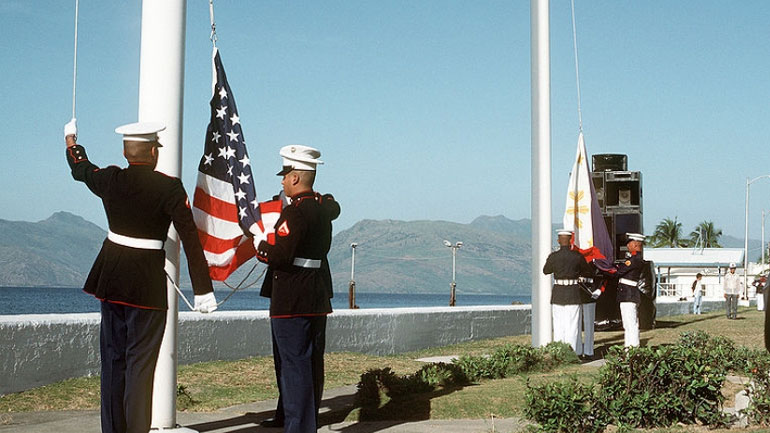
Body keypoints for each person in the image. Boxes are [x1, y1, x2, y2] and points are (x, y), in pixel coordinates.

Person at [64, 119, 217, 433]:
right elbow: (189, 237)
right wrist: (203, 290)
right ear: (152, 151)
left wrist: (71, 143)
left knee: (113, 364)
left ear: (125, 151)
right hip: (146, 286)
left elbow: (81, 168)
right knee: (140, 370)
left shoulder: (109, 179)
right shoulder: (169, 187)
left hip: (112, 280)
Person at [256, 145, 340, 433]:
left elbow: (280, 255)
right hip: (315, 295)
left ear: (294, 178)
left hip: (291, 299)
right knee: (311, 365)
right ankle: (305, 423)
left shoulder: (295, 213)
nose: (281, 181)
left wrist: (261, 247)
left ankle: (298, 427)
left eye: (284, 175)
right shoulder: (322, 210)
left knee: (293, 368)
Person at [543, 229, 593, 353]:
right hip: (573, 293)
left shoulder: (553, 256)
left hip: (558, 293)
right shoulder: (577, 256)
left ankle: (559, 353)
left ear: (559, 241)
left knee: (559, 326)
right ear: (571, 240)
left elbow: (546, 270)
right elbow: (587, 271)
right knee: (572, 326)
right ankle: (571, 353)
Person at [615, 233, 645, 347]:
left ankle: (633, 347)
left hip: (629, 294)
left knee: (631, 323)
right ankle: (629, 347)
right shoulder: (634, 259)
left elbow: (619, 272)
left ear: (635, 244)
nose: (627, 245)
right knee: (628, 324)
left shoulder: (634, 260)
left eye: (629, 243)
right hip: (627, 293)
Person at [577, 270, 603, 360]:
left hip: (590, 291)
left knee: (589, 324)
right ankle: (578, 350)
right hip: (577, 291)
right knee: (576, 324)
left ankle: (589, 351)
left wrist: (599, 289)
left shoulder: (594, 261)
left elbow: (601, 276)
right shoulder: (575, 258)